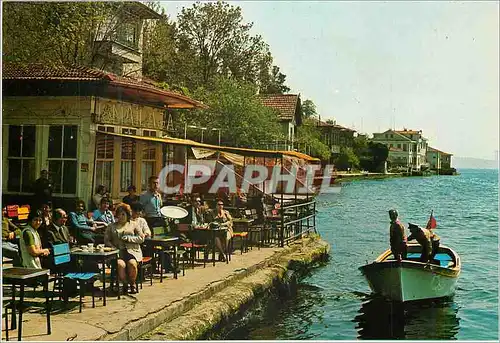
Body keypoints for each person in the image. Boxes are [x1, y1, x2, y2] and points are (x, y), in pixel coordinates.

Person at [104, 203, 145, 294]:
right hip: (117, 252)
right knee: (121, 265)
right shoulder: (111, 226)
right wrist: (113, 248)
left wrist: (130, 239)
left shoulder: (134, 224)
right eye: (119, 214)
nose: (121, 216)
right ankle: (125, 283)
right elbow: (107, 240)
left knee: (132, 264)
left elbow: (141, 238)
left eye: (123, 214)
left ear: (127, 215)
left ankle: (132, 284)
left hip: (132, 251)